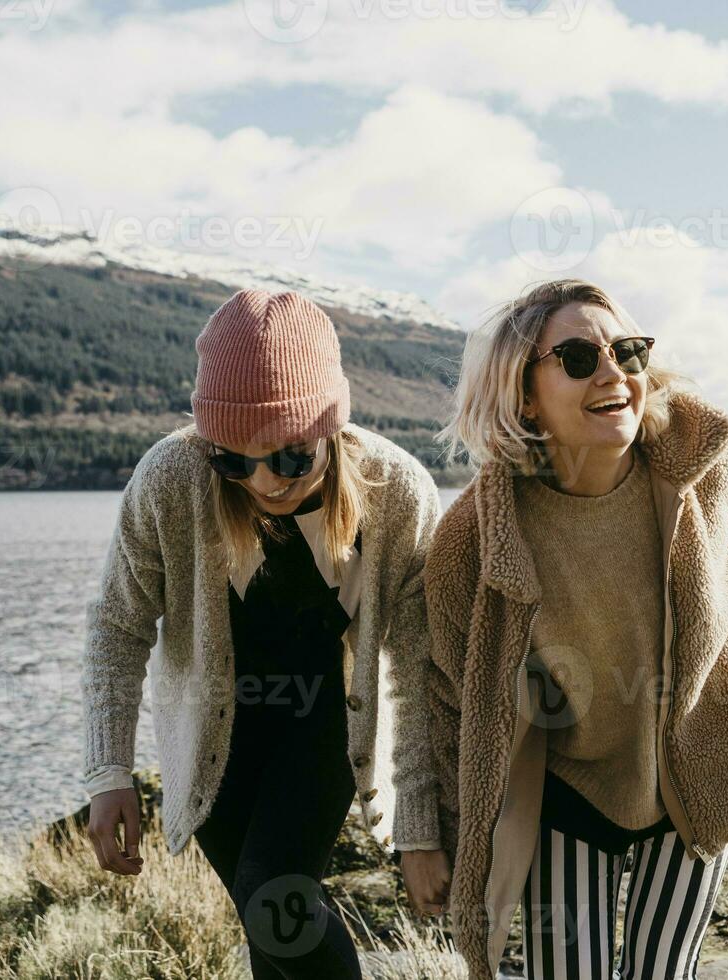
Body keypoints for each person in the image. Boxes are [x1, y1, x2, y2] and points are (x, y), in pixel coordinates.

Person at [422, 278, 728, 979]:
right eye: (580, 358)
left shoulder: (701, 470)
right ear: (522, 393)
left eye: (628, 351)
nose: (614, 372)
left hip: (703, 769)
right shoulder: (476, 534)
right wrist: (436, 835)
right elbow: (449, 692)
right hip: (571, 780)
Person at [80, 287, 448, 978]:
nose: (262, 480)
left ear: (333, 428)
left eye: (288, 457)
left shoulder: (396, 492)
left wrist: (421, 820)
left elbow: (416, 662)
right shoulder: (171, 479)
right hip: (213, 738)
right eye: (232, 460)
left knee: (273, 893)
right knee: (267, 933)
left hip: (326, 728)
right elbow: (117, 626)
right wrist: (108, 772)